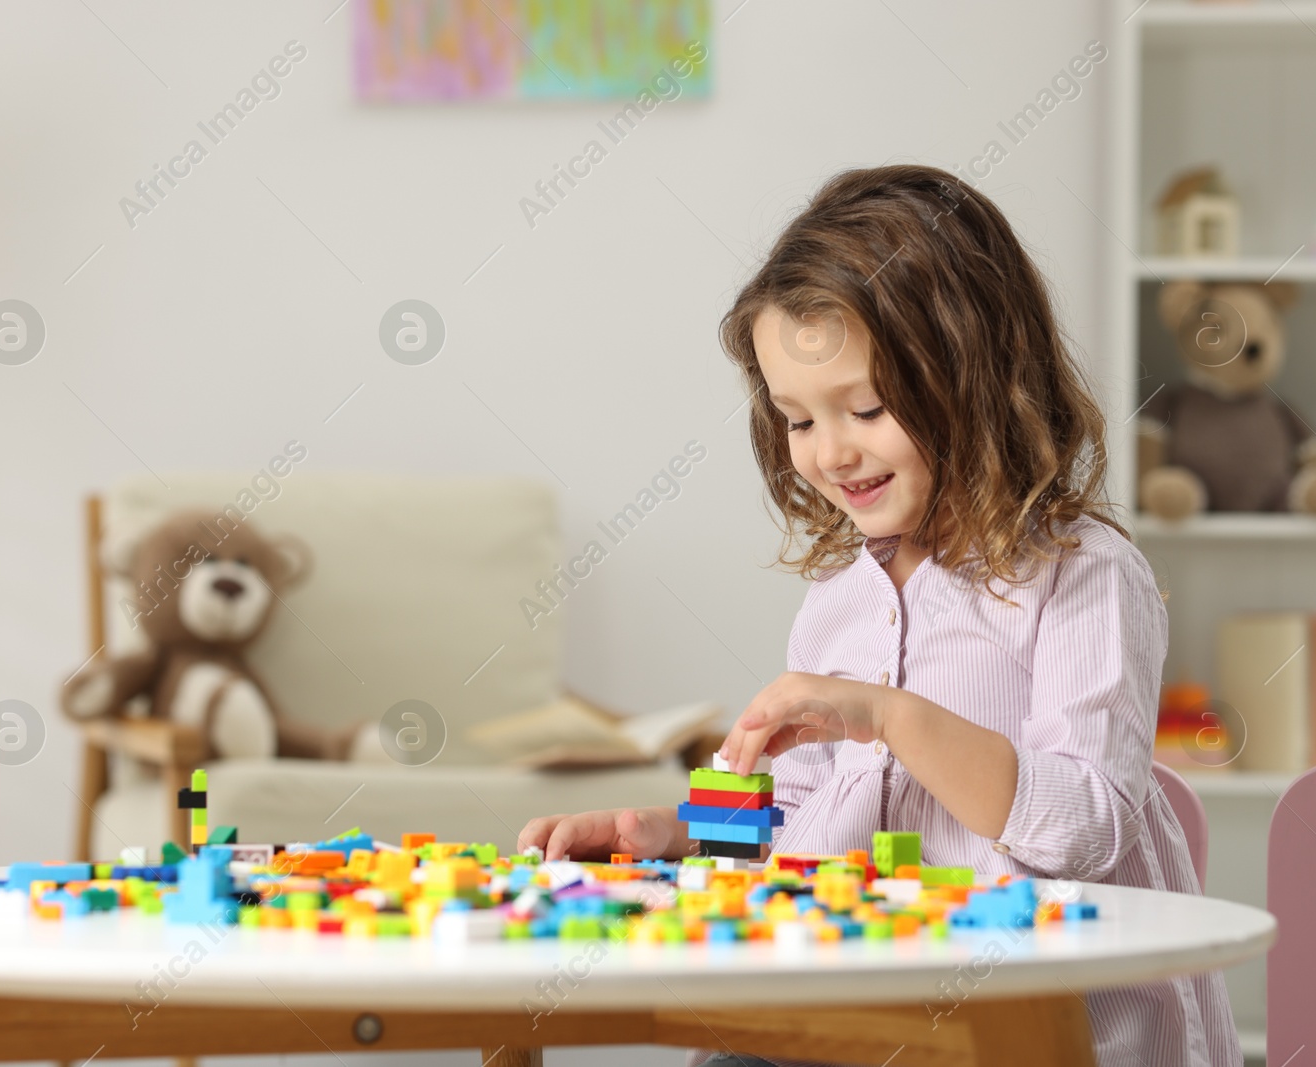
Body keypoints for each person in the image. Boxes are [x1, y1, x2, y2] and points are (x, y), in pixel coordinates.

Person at [517, 164, 1239, 1067]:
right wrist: (671, 836)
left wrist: (890, 716)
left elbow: (1086, 826)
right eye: (797, 419)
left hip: (1039, 1030)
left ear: (976, 377)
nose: (831, 452)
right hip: (870, 1013)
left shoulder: (1085, 576)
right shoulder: (839, 604)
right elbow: (811, 818)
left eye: (864, 406)